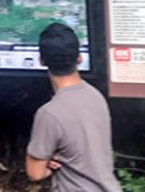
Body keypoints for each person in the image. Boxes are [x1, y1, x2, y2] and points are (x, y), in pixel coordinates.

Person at [26, 22, 120, 191]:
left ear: (41, 61)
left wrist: (49, 162)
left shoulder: (49, 113)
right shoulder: (95, 96)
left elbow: (35, 173)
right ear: (79, 58)